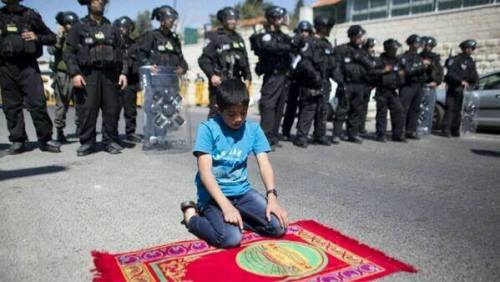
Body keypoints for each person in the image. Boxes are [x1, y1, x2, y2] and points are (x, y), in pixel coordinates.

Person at [180, 79, 288, 249]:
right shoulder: (207, 129)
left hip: (243, 193)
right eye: (231, 114)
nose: (238, 119)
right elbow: (205, 173)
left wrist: (272, 197)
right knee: (230, 238)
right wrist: (226, 206)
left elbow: (264, 162)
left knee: (278, 227)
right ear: (218, 109)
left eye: (243, 113)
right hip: (213, 198)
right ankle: (192, 218)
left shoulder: (253, 130)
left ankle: (236, 217)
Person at [64, 0, 128, 156]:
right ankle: (87, 142)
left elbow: (122, 52)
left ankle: (110, 141)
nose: (100, 2)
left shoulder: (112, 28)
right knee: (87, 109)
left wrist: (123, 73)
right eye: (96, 0)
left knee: (112, 109)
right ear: (88, 3)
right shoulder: (79, 27)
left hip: (110, 75)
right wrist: (75, 73)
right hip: (87, 74)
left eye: (102, 0)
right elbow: (69, 52)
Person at [0, 0, 61, 154]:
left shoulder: (30, 15)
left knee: (37, 103)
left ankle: (45, 139)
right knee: (11, 106)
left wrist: (36, 37)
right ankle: (17, 140)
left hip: (28, 66)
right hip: (6, 66)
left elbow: (51, 37)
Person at [198, 7, 251, 118]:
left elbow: (245, 61)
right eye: (229, 18)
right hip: (220, 84)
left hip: (236, 85)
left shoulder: (239, 38)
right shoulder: (214, 37)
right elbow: (203, 60)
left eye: (235, 18)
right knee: (216, 114)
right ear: (223, 19)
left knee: (235, 115)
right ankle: (211, 135)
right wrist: (212, 75)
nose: (233, 21)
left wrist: (248, 77)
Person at [293, 16, 336, 148]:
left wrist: (338, 78)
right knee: (309, 109)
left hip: (325, 82)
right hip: (311, 82)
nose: (329, 30)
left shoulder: (328, 44)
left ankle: (319, 135)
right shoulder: (309, 42)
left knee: (322, 110)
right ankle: (301, 137)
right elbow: (305, 62)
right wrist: (314, 75)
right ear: (321, 27)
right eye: (327, 27)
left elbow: (333, 64)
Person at [253, 6, 292, 149]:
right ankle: (263, 138)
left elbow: (292, 46)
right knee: (268, 105)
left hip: (283, 75)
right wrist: (288, 45)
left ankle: (273, 136)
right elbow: (270, 47)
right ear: (271, 18)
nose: (280, 20)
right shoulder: (265, 34)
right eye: (277, 17)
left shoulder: (282, 35)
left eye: (281, 17)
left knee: (280, 106)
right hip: (272, 75)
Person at [332, 25, 368, 144]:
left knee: (356, 110)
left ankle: (353, 134)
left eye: (361, 36)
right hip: (346, 84)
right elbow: (336, 68)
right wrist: (341, 82)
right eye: (358, 36)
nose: (360, 38)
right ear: (352, 36)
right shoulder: (342, 49)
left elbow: (369, 68)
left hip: (360, 85)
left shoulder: (363, 51)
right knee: (342, 109)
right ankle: (336, 134)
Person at [49, 11, 79, 143]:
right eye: (68, 24)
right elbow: (51, 50)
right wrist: (59, 38)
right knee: (62, 104)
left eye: (73, 24)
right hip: (63, 74)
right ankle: (60, 131)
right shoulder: (59, 36)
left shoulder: (79, 36)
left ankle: (81, 129)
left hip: (78, 74)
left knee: (81, 104)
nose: (71, 26)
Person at [281, 20, 313, 142]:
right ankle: (285, 131)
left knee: (304, 109)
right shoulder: (293, 46)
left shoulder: (310, 47)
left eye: (307, 31)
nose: (305, 33)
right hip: (292, 81)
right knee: (290, 108)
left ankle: (300, 134)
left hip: (305, 82)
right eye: (303, 31)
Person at [442, 39, 479, 137]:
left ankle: (455, 129)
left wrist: (475, 83)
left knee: (459, 110)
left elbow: (474, 75)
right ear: (463, 48)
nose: (469, 50)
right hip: (454, 88)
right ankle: (446, 129)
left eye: (471, 48)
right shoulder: (456, 59)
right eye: (468, 48)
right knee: (450, 109)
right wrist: (460, 81)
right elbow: (451, 74)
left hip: (465, 90)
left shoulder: (470, 61)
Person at [138, 5, 187, 76]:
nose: (171, 21)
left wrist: (183, 68)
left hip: (172, 81)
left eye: (173, 19)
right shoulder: (152, 35)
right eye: (169, 18)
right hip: (155, 80)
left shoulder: (175, 39)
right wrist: (148, 65)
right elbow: (141, 54)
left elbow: (182, 60)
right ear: (162, 19)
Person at [114, 16, 141, 143]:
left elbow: (139, 62)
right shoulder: (113, 43)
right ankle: (112, 133)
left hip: (131, 81)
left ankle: (130, 132)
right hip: (116, 80)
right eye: (121, 27)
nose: (123, 29)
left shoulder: (134, 45)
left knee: (131, 109)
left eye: (126, 27)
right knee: (114, 109)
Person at [399, 34, 431, 140]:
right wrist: (422, 65)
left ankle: (411, 130)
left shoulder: (419, 57)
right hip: (408, 85)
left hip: (418, 85)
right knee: (404, 109)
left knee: (415, 109)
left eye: (419, 43)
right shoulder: (405, 57)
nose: (418, 45)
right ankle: (400, 131)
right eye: (416, 43)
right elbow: (408, 71)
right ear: (411, 44)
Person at [374, 39, 406, 142]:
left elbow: (401, 71)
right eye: (394, 49)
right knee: (382, 113)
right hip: (382, 90)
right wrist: (383, 70)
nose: (396, 50)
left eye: (396, 49)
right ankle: (381, 134)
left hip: (393, 91)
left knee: (399, 111)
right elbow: (372, 72)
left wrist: (401, 76)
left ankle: (397, 134)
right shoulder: (380, 60)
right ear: (388, 49)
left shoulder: (397, 60)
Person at [359, 38, 377, 135]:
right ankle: (356, 127)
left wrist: (373, 83)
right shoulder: (362, 55)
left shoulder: (370, 56)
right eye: (370, 47)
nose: (372, 49)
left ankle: (361, 126)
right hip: (361, 84)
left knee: (364, 107)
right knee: (358, 106)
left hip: (368, 85)